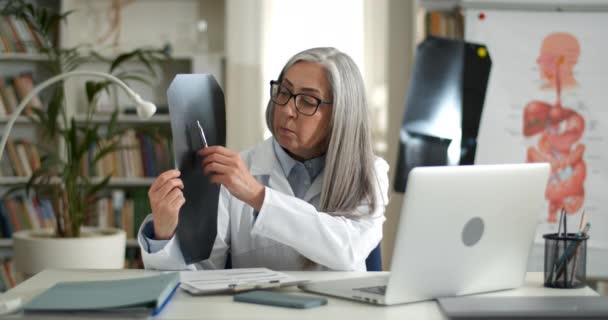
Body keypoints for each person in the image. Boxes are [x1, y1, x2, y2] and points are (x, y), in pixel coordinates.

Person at [138, 47, 389, 271]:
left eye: (307, 100)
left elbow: (349, 251)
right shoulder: (234, 171)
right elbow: (199, 275)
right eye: (285, 92)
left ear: (340, 114)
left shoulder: (370, 172)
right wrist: (164, 233)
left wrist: (258, 196)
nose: (287, 110)